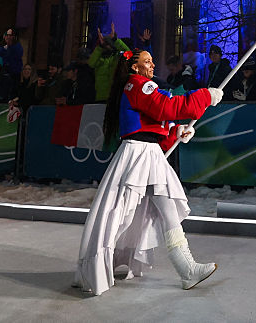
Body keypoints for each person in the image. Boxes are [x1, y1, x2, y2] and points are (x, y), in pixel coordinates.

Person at [74, 50, 224, 295]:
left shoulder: (141, 86)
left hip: (148, 153)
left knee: (165, 210)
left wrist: (175, 133)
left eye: (153, 60)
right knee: (119, 213)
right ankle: (97, 264)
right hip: (138, 155)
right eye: (147, 61)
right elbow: (165, 107)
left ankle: (187, 269)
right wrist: (204, 96)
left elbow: (152, 124)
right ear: (134, 67)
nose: (153, 64)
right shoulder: (137, 85)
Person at [88, 23, 130, 102]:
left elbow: (129, 54)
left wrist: (115, 40)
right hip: (101, 97)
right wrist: (100, 47)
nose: (107, 46)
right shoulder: (99, 58)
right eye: (106, 44)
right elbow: (91, 63)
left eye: (109, 44)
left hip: (115, 96)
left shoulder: (117, 57)